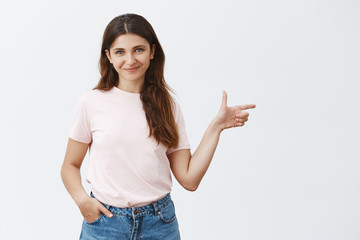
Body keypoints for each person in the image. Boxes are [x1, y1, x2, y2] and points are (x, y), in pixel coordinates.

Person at [60, 13, 256, 240]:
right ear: (109, 56)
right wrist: (83, 200)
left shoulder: (168, 105)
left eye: (139, 49)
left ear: (152, 52)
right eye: (120, 52)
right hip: (105, 224)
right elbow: (69, 165)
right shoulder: (91, 102)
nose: (130, 60)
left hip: (158, 224)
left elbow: (189, 179)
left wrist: (217, 127)